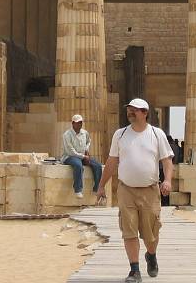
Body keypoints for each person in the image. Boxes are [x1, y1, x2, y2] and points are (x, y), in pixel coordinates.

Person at [96, 98, 174, 283]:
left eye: (135, 110)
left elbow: (166, 160)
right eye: (129, 109)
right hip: (126, 190)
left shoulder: (156, 134)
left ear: (145, 113)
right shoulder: (120, 134)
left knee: (151, 233)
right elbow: (112, 161)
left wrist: (168, 180)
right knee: (129, 230)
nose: (130, 112)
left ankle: (151, 255)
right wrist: (101, 185)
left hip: (150, 190)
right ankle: (134, 270)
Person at [62, 115, 102, 199]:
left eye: (81, 122)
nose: (80, 124)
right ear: (73, 123)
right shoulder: (67, 134)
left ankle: (96, 188)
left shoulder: (84, 132)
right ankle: (78, 190)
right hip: (70, 157)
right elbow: (70, 151)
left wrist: (86, 150)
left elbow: (88, 141)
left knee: (98, 165)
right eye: (77, 122)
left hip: (83, 156)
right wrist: (83, 157)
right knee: (78, 165)